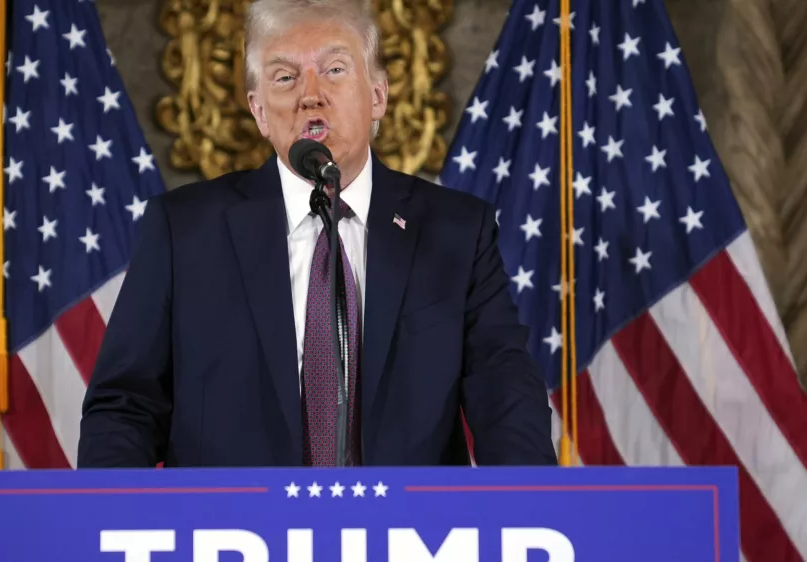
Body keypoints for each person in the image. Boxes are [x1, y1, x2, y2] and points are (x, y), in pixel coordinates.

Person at [77, 0, 557, 468]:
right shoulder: (184, 230)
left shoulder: (456, 230)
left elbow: (505, 393)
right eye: (285, 77)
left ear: (378, 96)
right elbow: (126, 406)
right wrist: (111, 523)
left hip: (405, 534)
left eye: (334, 69)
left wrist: (531, 512)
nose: (310, 93)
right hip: (231, 535)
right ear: (260, 111)